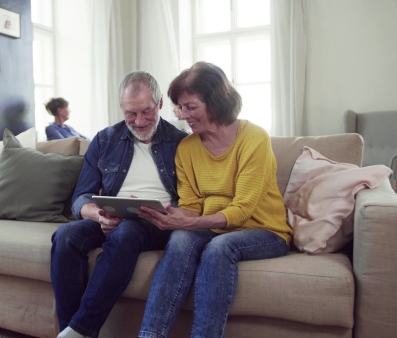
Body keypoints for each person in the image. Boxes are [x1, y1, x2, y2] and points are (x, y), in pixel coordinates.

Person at [137, 62, 293, 338]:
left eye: (191, 107)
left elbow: (242, 210)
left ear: (216, 102)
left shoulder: (253, 138)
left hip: (264, 230)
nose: (184, 115)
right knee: (180, 239)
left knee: (219, 248)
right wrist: (169, 217)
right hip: (215, 227)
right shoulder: (187, 148)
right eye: (180, 108)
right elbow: (193, 206)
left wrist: (191, 222)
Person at [50, 71, 188, 338]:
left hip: (157, 223)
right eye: (130, 114)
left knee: (126, 232)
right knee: (66, 235)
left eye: (146, 112)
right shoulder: (105, 140)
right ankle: (67, 330)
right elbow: (81, 197)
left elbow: (191, 199)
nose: (138, 121)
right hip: (113, 218)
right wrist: (98, 214)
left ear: (159, 104)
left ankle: (81, 330)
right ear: (122, 109)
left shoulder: (181, 143)